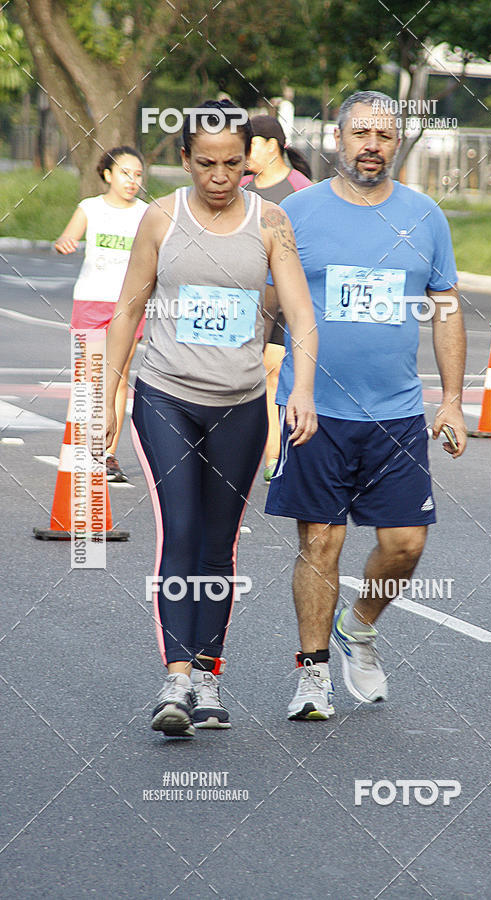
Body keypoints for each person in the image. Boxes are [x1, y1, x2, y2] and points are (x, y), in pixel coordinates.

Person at [104, 100, 317, 737]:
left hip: (242, 403)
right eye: (205, 164)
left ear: (249, 158)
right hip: (165, 394)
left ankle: (207, 676)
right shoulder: (161, 219)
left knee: (220, 543)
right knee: (182, 529)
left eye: (231, 163)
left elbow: (302, 315)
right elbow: (125, 312)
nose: (219, 177)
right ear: (184, 159)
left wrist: (300, 389)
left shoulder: (271, 221)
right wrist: (106, 401)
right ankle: (175, 676)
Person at [265, 90, 467, 721]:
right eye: (360, 133)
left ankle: (360, 625)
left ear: (397, 142)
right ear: (338, 139)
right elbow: (266, 307)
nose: (371, 145)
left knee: (406, 543)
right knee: (320, 542)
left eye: (384, 135)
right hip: (314, 409)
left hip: (396, 412)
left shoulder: (425, 215)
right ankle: (313, 675)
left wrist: (454, 401)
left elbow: (447, 309)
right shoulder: (294, 212)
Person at [55, 146, 147, 483]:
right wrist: (65, 242)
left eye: (138, 175)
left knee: (119, 375)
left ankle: (107, 454)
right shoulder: (90, 208)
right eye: (125, 173)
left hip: (129, 305)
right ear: (108, 174)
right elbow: (68, 236)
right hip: (92, 300)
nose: (132, 181)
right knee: (90, 376)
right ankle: (80, 448)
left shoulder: (146, 213)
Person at [241, 115, 312, 481]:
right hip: (247, 298)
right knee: (248, 377)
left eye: (249, 144)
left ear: (271, 145)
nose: (242, 152)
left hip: (287, 299)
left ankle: (274, 457)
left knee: (272, 371)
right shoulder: (242, 188)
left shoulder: (302, 189)